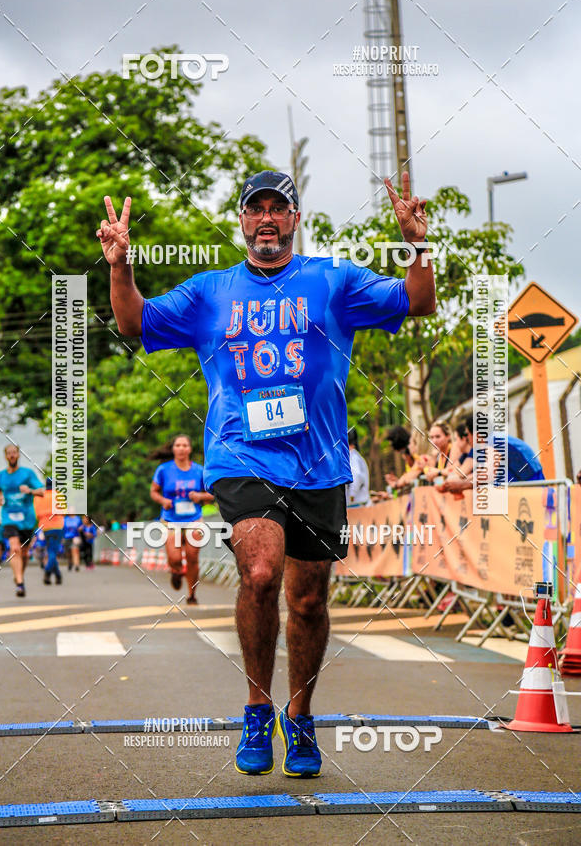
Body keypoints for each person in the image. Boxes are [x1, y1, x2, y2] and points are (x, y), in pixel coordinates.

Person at [99, 168, 435, 778]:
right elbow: (133, 323)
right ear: (243, 221)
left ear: (295, 219)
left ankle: (300, 717)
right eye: (256, 209)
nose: (267, 218)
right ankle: (257, 708)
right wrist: (120, 266)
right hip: (241, 454)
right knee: (259, 572)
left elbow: (416, 301)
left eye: (278, 208)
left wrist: (416, 246)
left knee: (307, 600)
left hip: (319, 461)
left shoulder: (331, 280)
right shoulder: (210, 292)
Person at [151, 433, 215, 601]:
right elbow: (153, 492)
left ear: (190, 449)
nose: (181, 448)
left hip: (194, 518)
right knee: (175, 558)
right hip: (170, 519)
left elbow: (212, 494)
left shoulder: (200, 470)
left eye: (184, 445)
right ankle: (176, 571)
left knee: (192, 557)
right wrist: (163, 500)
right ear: (173, 449)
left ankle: (192, 594)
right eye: (178, 445)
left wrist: (200, 497)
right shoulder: (164, 470)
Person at [0, 444, 44, 597]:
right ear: (5, 456)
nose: (12, 455)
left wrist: (29, 490)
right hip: (8, 516)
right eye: (9, 453)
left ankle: (18, 576)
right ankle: (20, 584)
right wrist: (0, 498)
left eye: (14, 453)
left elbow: (42, 491)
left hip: (27, 519)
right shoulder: (1, 475)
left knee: (24, 553)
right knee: (14, 548)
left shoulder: (27, 474)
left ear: (18, 455)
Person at [33, 479, 65, 585]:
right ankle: (47, 572)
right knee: (53, 552)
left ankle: (58, 576)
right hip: (57, 526)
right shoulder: (58, 495)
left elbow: (37, 514)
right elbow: (63, 512)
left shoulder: (38, 497)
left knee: (51, 551)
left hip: (45, 527)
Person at [345, 429, 371, 508]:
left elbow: (356, 475)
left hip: (356, 504)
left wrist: (352, 496)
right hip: (357, 503)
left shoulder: (353, 457)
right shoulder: (355, 456)